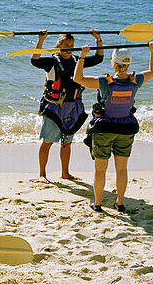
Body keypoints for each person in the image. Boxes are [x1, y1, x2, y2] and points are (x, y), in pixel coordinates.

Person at [74, 42, 153, 212]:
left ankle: (97, 204)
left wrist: (82, 56)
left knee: (100, 169)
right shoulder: (136, 79)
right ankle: (119, 203)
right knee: (121, 168)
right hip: (125, 129)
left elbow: (78, 78)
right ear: (128, 64)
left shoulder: (104, 82)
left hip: (104, 129)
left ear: (113, 63)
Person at [31, 30, 104, 182]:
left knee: (67, 142)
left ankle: (65, 173)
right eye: (66, 45)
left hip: (72, 106)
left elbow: (99, 58)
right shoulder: (52, 61)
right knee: (48, 141)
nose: (69, 48)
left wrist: (98, 39)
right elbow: (35, 61)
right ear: (59, 45)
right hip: (54, 107)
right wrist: (41, 40)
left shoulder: (78, 60)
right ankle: (42, 174)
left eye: (72, 45)